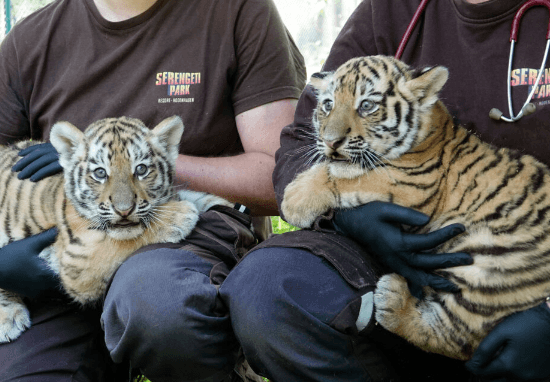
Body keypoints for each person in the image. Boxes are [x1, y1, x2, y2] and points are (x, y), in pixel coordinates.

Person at [0, 0, 305, 380]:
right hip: (64, 254)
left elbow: (282, 179)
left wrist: (162, 163)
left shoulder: (238, 12)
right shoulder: (32, 39)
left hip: (187, 241)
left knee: (159, 303)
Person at [229, 0, 550, 381]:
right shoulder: (390, 9)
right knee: (267, 286)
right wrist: (345, 211)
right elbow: (300, 141)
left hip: (527, 273)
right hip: (392, 272)